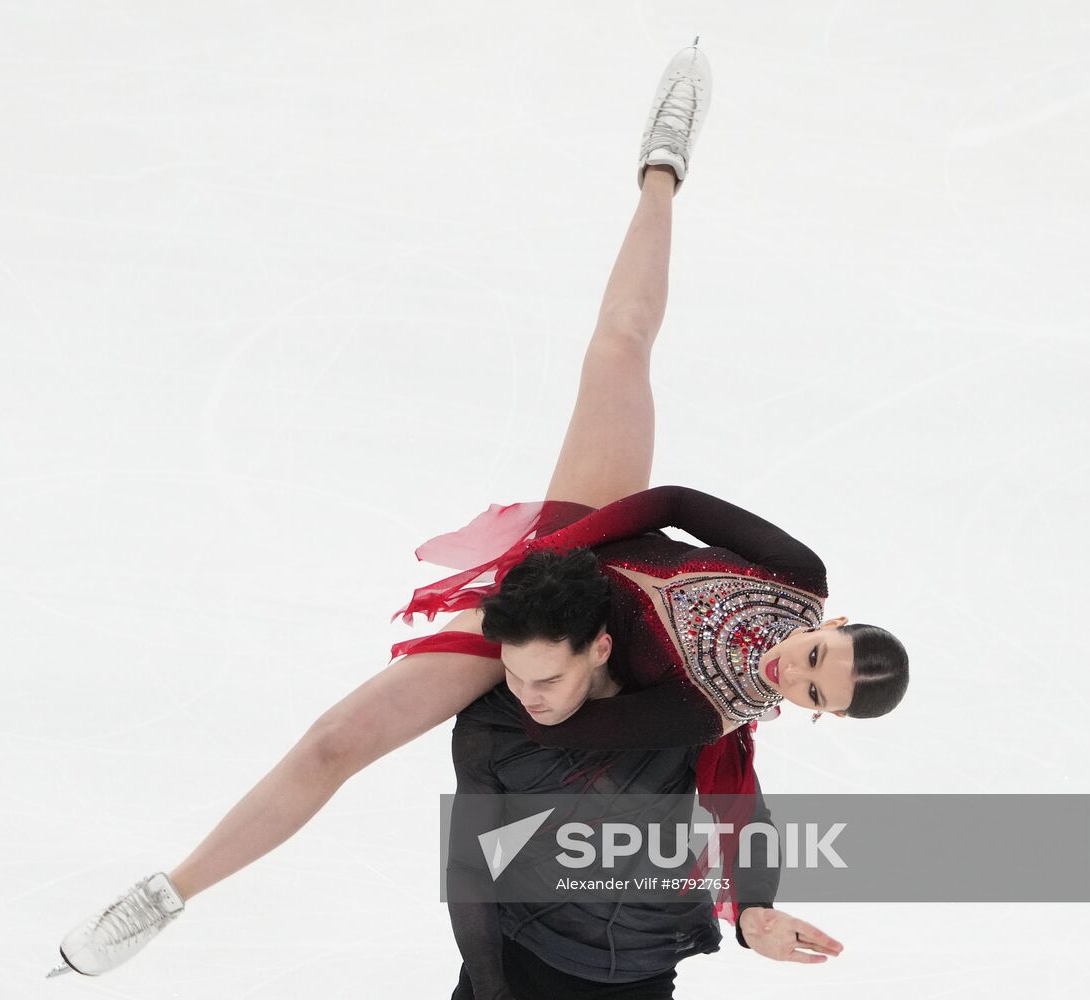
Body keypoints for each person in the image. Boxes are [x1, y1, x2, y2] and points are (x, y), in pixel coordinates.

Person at [47, 39, 908, 980]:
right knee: (617, 348)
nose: (800, 668)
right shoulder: (798, 577)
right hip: (598, 535)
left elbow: (564, 731)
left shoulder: (702, 714)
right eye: (820, 651)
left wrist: (753, 908)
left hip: (566, 644)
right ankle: (664, 165)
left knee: (341, 740)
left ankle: (166, 893)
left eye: (812, 690)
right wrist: (545, 559)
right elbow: (677, 502)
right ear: (831, 621)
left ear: (812, 711)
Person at [446, 677, 841, 1000]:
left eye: (549, 675)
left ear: (599, 649)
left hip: (638, 968)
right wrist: (490, 988)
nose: (530, 692)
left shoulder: (687, 710)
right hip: (515, 956)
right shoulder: (493, 721)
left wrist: (754, 907)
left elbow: (747, 818)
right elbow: (468, 864)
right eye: (513, 668)